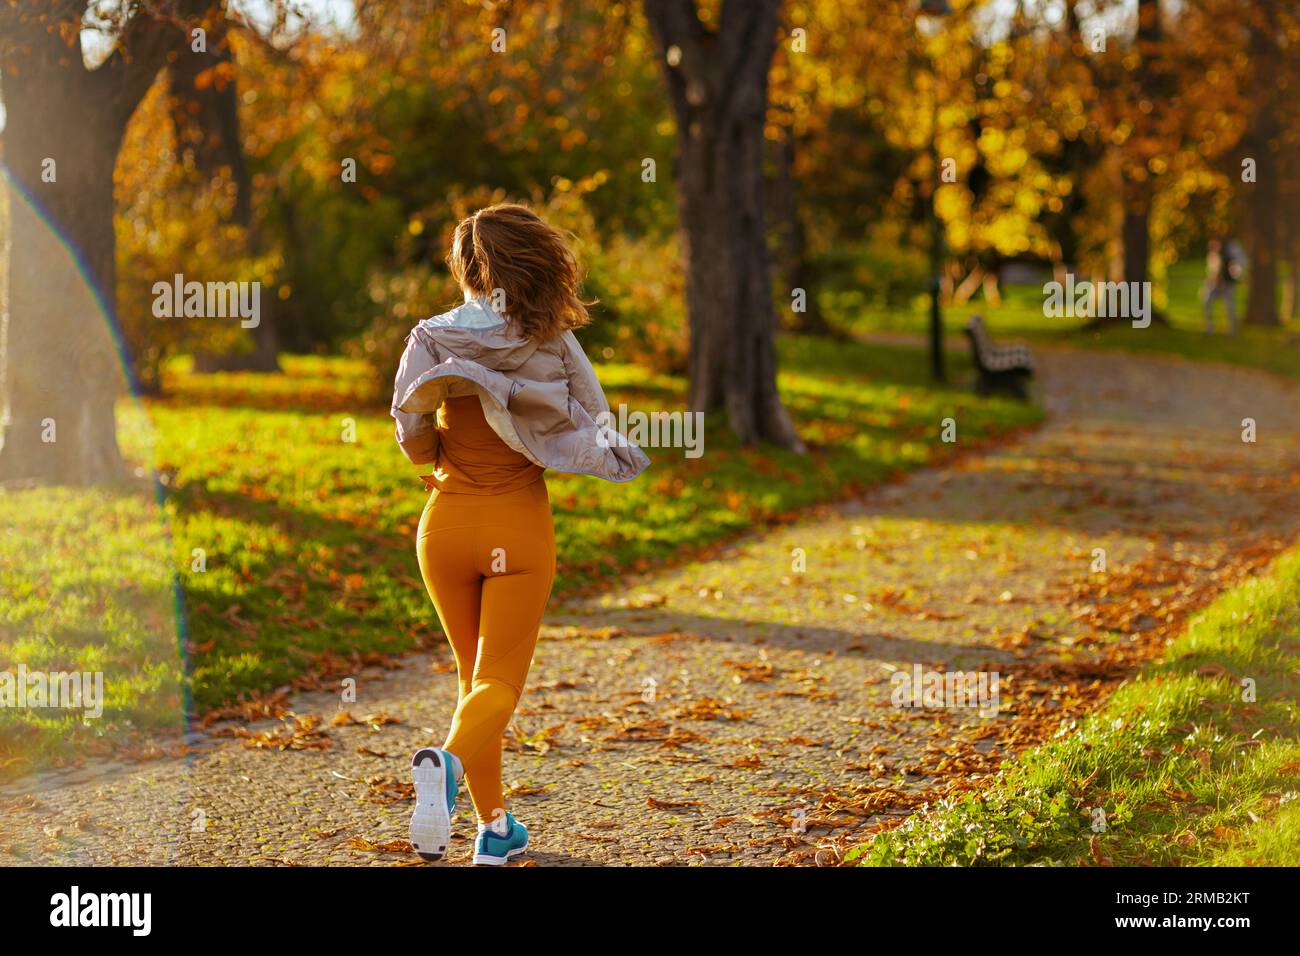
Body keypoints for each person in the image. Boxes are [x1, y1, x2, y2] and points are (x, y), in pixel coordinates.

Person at [390, 204, 649, 864]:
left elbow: (411, 430)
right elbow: (594, 417)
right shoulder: (550, 337)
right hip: (518, 527)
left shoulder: (430, 335)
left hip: (443, 527)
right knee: (499, 683)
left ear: (464, 267)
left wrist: (439, 446)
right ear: (534, 263)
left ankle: (494, 831)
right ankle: (444, 768)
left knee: (474, 684)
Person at [1202, 236, 1244, 335]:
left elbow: (1235, 270)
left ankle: (1232, 329)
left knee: (1230, 307)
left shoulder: (1227, 257)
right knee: (1206, 300)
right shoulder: (1212, 257)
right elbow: (1211, 273)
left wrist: (1236, 277)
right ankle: (1210, 327)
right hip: (1214, 286)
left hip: (1227, 285)